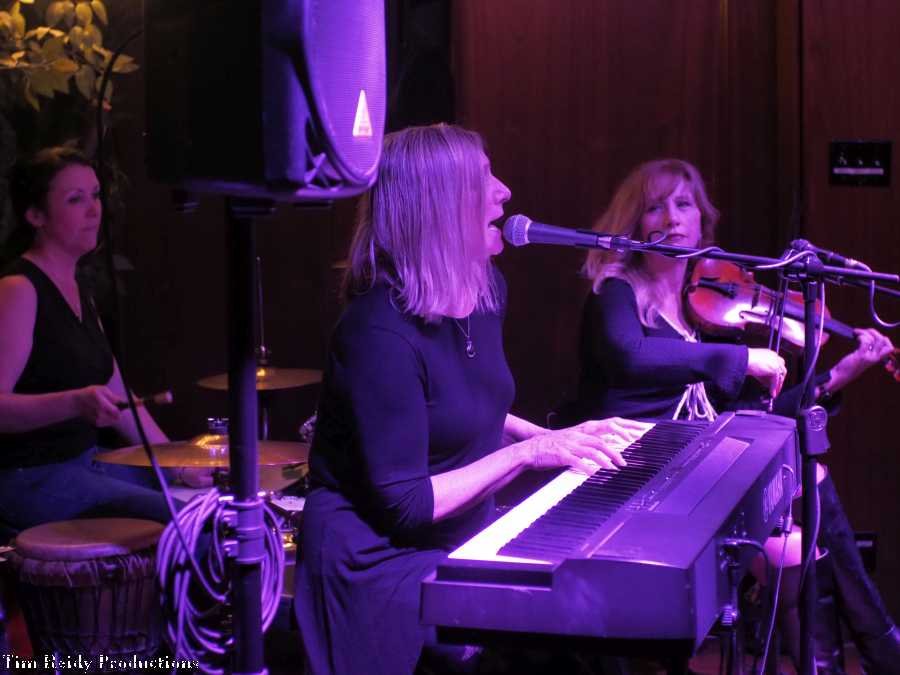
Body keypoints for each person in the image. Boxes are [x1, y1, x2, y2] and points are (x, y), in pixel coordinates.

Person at [293, 124, 650, 675]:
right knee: (552, 642)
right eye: (483, 179)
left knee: (591, 621)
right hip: (380, 563)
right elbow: (407, 504)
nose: (504, 192)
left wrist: (559, 440)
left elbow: (464, 409)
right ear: (437, 205)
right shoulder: (377, 333)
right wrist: (532, 452)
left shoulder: (485, 293)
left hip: (455, 535)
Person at [568, 158, 900, 673]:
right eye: (655, 207)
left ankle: (852, 657)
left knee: (806, 498)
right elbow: (630, 356)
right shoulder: (616, 290)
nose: (672, 218)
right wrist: (741, 358)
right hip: (632, 469)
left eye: (684, 205)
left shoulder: (702, 310)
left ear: (702, 220)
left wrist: (843, 371)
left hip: (689, 463)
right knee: (804, 508)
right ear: (634, 223)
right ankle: (884, 648)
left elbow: (755, 412)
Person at [0, 146, 174, 535]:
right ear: (35, 215)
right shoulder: (19, 289)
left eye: (95, 195)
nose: (95, 210)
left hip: (86, 463)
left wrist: (175, 460)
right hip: (29, 477)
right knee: (180, 521)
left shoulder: (80, 290)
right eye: (76, 199)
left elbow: (118, 392)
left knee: (199, 498)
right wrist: (73, 403)